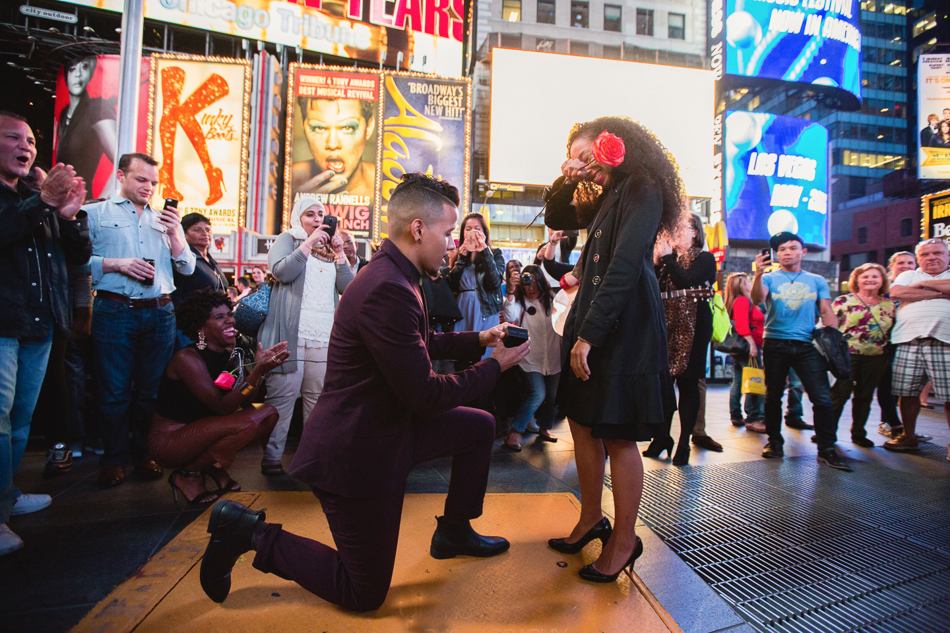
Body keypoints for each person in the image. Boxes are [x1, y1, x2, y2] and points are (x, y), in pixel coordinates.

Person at [199, 173, 529, 611]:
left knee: (477, 427)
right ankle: (247, 532)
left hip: (390, 430)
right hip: (357, 452)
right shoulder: (388, 286)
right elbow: (426, 395)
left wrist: (480, 339)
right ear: (418, 229)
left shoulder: (400, 274)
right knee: (364, 592)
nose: (452, 243)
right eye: (448, 233)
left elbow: (417, 342)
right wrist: (494, 366)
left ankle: (454, 529)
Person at [543, 117, 679, 582]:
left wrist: (589, 335)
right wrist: (568, 177)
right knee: (582, 423)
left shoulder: (643, 185)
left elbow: (623, 265)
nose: (585, 166)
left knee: (617, 433)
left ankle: (624, 540)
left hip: (625, 326)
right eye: (577, 159)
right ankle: (589, 518)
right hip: (594, 317)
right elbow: (557, 220)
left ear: (614, 144)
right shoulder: (605, 196)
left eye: (588, 155)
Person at [0, 111, 90, 555]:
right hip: (4, 322)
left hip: (40, 324)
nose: (27, 146)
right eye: (14, 137)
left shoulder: (40, 200)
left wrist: (70, 215)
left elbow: (78, 259)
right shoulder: (27, 202)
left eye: (32, 141)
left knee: (18, 422)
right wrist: (43, 201)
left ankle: (8, 495)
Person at [83, 152, 196, 487]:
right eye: (141, 179)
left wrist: (176, 233)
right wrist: (116, 264)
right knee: (114, 391)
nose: (148, 187)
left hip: (160, 312)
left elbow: (187, 267)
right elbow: (74, 262)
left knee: (149, 391)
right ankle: (113, 459)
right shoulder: (94, 213)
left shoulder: (164, 220)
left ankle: (143, 454)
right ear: (121, 176)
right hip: (115, 308)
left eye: (154, 183)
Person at [149, 289, 289, 505]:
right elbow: (222, 407)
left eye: (229, 314)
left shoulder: (233, 354)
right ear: (200, 328)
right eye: (219, 317)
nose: (230, 321)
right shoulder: (188, 358)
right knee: (246, 422)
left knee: (268, 413)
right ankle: (186, 475)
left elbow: (244, 402)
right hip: (171, 441)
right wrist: (257, 372)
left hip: (206, 429)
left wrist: (257, 369)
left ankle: (213, 466)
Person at [257, 198, 354, 476]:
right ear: (298, 217)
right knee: (284, 396)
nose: (316, 219)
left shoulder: (329, 250)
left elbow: (348, 288)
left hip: (323, 335)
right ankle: (272, 458)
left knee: (317, 398)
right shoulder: (288, 239)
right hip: (291, 332)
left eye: (321, 214)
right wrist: (309, 242)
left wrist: (340, 253)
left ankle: (311, 457)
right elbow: (282, 272)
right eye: (309, 214)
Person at [752, 232, 848, 470]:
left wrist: (834, 343)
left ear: (803, 252)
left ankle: (826, 448)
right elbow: (756, 299)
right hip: (776, 342)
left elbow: (826, 311)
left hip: (808, 344)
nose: (787, 252)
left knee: (821, 398)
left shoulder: (816, 280)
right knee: (773, 396)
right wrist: (757, 273)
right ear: (777, 254)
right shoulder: (769, 278)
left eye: (793, 248)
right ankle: (774, 442)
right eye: (782, 249)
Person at [646, 213, 717, 465]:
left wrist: (666, 259)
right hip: (666, 324)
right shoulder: (667, 260)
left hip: (695, 324)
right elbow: (650, 285)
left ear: (695, 232)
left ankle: (685, 441)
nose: (674, 231)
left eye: (680, 227)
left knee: (688, 382)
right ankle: (662, 437)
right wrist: (656, 261)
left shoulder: (706, 258)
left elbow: (686, 280)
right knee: (664, 382)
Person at [884, 238, 950, 457]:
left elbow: (908, 292)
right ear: (918, 258)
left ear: (947, 255)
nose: (931, 258)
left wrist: (921, 286)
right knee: (906, 392)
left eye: (937, 253)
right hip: (907, 340)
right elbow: (897, 293)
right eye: (925, 254)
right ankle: (909, 437)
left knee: (949, 396)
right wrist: (942, 293)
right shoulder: (907, 275)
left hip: (945, 341)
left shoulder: (916, 279)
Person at [829, 264, 896, 447]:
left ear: (882, 281)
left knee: (865, 396)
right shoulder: (843, 301)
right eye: (865, 276)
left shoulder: (888, 305)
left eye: (875, 276)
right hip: (847, 355)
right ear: (856, 280)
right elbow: (830, 328)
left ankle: (858, 433)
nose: (870, 280)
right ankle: (827, 433)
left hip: (877, 356)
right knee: (838, 395)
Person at [502, 265, 561, 450]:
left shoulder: (551, 299)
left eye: (535, 282)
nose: (531, 287)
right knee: (538, 394)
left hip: (553, 356)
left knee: (552, 396)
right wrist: (510, 292)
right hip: (530, 357)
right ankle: (513, 434)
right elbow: (510, 315)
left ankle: (544, 428)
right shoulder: (519, 302)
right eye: (527, 282)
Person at [55, 55, 118, 200]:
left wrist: (99, 203)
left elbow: (123, 162)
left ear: (91, 74)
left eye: (84, 67)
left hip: (81, 204)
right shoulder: (65, 114)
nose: (78, 74)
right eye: (72, 69)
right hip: (60, 202)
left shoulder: (96, 108)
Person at [445, 213, 506, 361]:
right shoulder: (458, 255)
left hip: (485, 308)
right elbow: (451, 284)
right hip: (463, 306)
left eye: (477, 228)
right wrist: (461, 259)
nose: (472, 232)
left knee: (484, 355)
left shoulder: (495, 253)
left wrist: (485, 251)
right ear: (463, 233)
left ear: (484, 232)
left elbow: (494, 282)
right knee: (462, 351)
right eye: (468, 228)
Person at [291, 97, 376, 199]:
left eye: (347, 128)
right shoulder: (287, 180)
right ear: (303, 126)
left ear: (369, 127)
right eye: (319, 128)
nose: (332, 144)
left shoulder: (386, 184)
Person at [878, 251, 916, 439]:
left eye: (910, 262)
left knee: (907, 387)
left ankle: (905, 428)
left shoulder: (918, 283)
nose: (906, 266)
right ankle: (889, 423)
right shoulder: (883, 286)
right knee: (887, 385)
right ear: (891, 265)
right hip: (887, 341)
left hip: (909, 339)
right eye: (901, 262)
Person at [723, 272, 765, 430]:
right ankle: (753, 417)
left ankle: (737, 415)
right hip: (748, 348)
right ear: (741, 285)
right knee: (754, 380)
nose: (751, 283)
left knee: (739, 380)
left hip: (742, 348)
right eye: (748, 281)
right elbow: (741, 325)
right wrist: (752, 344)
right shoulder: (742, 300)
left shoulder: (741, 300)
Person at [172, 213, 228, 308]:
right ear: (185, 234)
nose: (205, 233)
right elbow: (176, 296)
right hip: (195, 319)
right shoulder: (184, 261)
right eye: (197, 230)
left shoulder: (212, 262)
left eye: (208, 230)